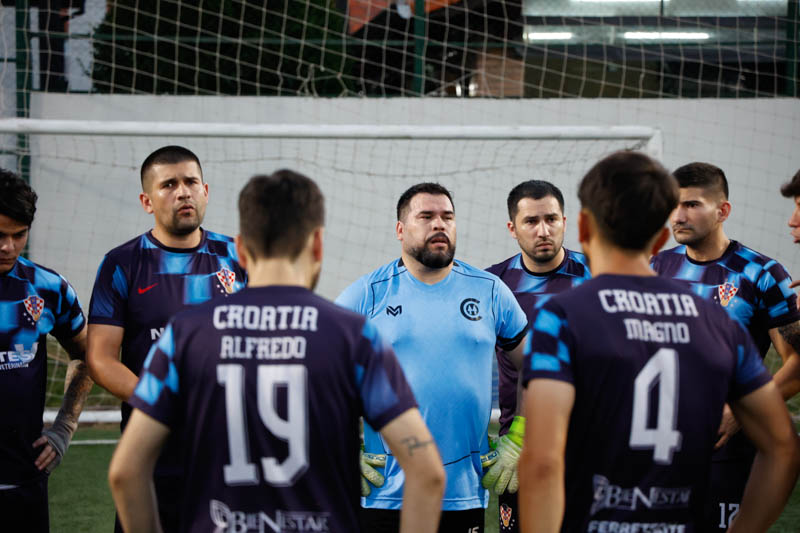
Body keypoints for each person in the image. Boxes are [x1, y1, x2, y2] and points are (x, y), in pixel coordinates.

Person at [108, 169, 445, 533]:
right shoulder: (354, 335)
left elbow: (126, 473)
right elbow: (428, 474)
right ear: (317, 244)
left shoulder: (185, 334)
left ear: (240, 250)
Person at [517, 151, 800, 533]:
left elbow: (542, 461)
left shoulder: (561, 317)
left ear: (582, 227)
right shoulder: (719, 322)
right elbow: (783, 447)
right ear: (661, 238)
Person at [336, 182, 529, 532]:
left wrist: (520, 436)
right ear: (400, 229)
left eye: (447, 217)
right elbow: (317, 372)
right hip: (385, 494)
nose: (439, 224)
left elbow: (538, 366)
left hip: (464, 493)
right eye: (426, 216)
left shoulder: (489, 291)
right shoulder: (367, 294)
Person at [87, 145, 246, 532]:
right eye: (169, 184)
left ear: (205, 191)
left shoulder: (240, 257)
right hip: (152, 453)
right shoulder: (122, 263)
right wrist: (161, 403)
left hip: (228, 452)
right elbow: (101, 358)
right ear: (147, 201)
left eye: (191, 182)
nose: (183, 192)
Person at [651, 161, 800, 530]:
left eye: (692, 205)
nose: (678, 216)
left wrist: (740, 412)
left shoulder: (762, 274)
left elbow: (797, 364)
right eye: (674, 205)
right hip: (659, 445)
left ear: (723, 211)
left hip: (725, 450)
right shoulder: (655, 269)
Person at [484, 180, 590, 533]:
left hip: (589, 445)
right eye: (531, 221)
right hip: (520, 448)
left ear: (565, 221)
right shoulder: (493, 285)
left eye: (551, 219)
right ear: (512, 228)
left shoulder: (596, 276)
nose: (543, 230)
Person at [0, 169, 94, 532]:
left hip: (25, 478)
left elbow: (87, 355)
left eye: (18, 235)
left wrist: (64, 428)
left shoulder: (47, 287)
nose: (8, 247)